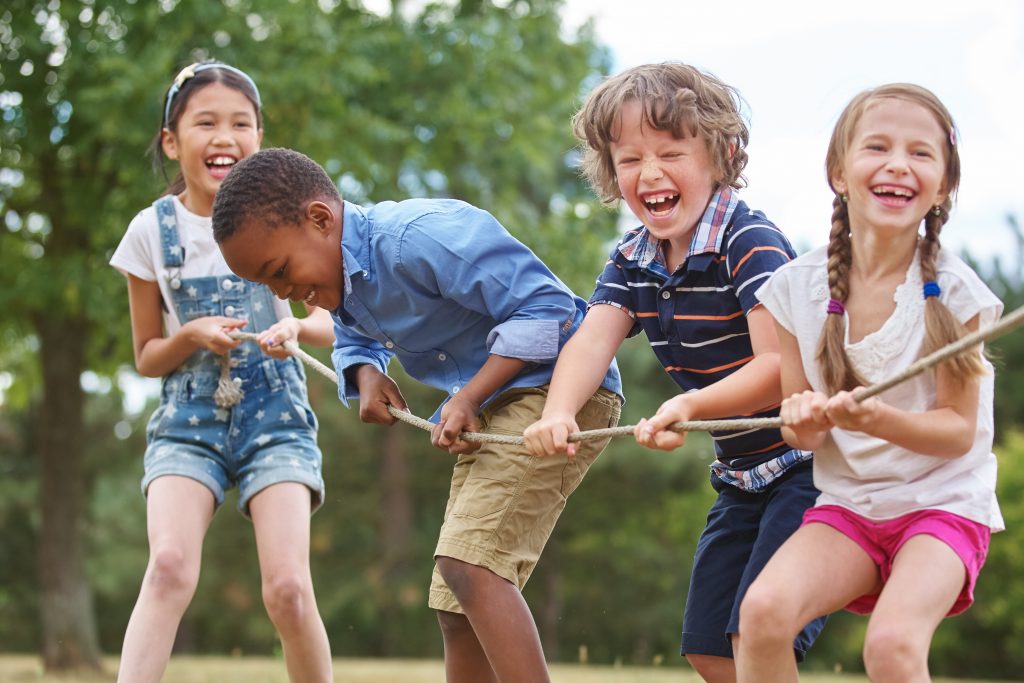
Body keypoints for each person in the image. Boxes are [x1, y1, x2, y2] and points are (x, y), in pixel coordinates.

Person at [211, 146, 623, 683]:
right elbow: (353, 335)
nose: (286, 293)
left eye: (281, 271)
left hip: (559, 391)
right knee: (456, 599)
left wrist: (469, 395)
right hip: (498, 407)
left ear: (320, 219)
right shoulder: (346, 279)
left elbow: (546, 307)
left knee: (470, 567)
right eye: (271, 287)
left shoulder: (417, 237)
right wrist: (364, 375)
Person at [522, 62, 825, 682]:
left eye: (669, 153)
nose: (650, 174)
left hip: (810, 465)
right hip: (742, 474)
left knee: (758, 628)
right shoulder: (634, 258)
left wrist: (689, 407)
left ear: (722, 154)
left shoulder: (750, 241)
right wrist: (558, 411)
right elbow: (590, 341)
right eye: (629, 159)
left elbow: (778, 366)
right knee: (710, 649)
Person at [737, 83, 1003, 683]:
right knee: (763, 614)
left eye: (921, 153)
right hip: (851, 507)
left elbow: (958, 433)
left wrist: (873, 419)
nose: (898, 164)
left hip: (941, 507)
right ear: (838, 171)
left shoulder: (958, 298)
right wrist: (801, 421)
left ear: (944, 185)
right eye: (877, 147)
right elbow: (798, 429)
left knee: (890, 646)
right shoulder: (793, 291)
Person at [109, 62, 334, 683]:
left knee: (287, 588)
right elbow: (146, 355)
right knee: (170, 568)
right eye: (205, 122)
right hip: (188, 419)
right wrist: (188, 334)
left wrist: (295, 326)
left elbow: (331, 324)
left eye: (241, 123)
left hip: (278, 416)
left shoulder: (292, 217)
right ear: (172, 141)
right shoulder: (149, 233)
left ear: (260, 137)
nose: (224, 137)